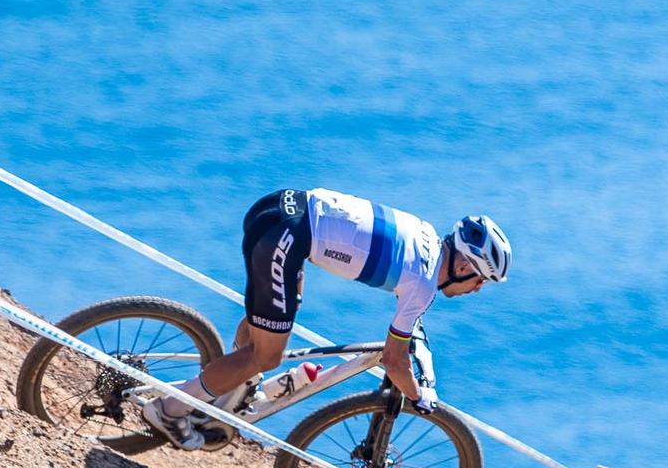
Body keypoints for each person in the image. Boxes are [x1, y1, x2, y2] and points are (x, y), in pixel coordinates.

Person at [141, 188, 511, 449]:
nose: (477, 289)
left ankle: (229, 392)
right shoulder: (423, 285)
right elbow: (395, 360)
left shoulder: (427, 234)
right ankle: (169, 409)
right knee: (266, 356)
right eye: (480, 279)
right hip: (287, 239)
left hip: (279, 206)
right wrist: (418, 398)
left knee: (274, 319)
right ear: (463, 265)